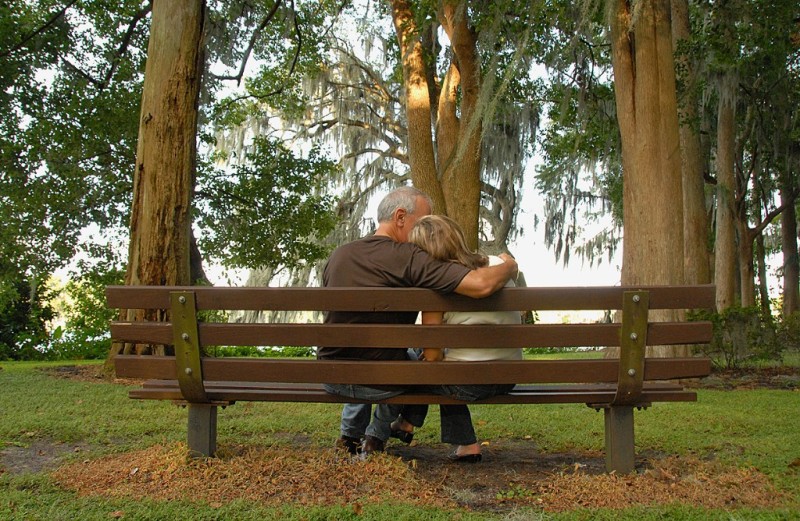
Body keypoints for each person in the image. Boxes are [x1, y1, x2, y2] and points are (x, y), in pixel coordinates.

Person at [318, 186, 518, 456]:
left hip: (332, 374)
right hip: (382, 381)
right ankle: (377, 435)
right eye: (423, 221)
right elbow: (481, 285)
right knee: (421, 362)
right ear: (400, 217)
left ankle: (350, 437)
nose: (426, 229)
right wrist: (510, 266)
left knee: (372, 353)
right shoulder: (410, 257)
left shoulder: (339, 255)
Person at [391, 214, 523, 462]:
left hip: (467, 383)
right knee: (443, 367)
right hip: (509, 375)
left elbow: (432, 358)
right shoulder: (498, 265)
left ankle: (412, 424)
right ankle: (410, 425)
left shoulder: (434, 286)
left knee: (429, 366)